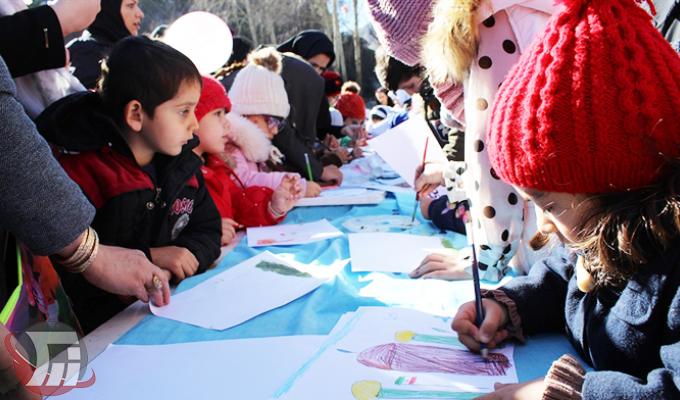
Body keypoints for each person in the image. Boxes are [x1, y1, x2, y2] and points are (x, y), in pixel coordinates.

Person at [453, 0, 680, 398]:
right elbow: (565, 276)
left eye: (551, 205)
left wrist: (565, 393)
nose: (542, 225)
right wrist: (510, 306)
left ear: (616, 185)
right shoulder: (598, 236)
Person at [36, 36, 221, 333]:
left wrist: (187, 255)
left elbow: (208, 228)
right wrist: (152, 257)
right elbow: (66, 263)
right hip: (96, 336)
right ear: (136, 114)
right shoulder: (82, 172)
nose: (195, 124)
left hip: (164, 314)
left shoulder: (182, 167)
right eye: (184, 111)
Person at [369, 0, 557, 282]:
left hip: (555, 245)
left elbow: (499, 153)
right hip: (570, 229)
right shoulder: (510, 13)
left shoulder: (489, 23)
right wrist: (449, 174)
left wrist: (487, 258)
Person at [194, 76, 302, 246]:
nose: (227, 125)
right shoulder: (177, 176)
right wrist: (205, 233)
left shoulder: (217, 165)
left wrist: (271, 206)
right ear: (192, 118)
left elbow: (238, 203)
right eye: (217, 114)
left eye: (225, 115)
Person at [227, 48, 321, 198]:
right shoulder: (231, 150)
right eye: (272, 121)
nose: (276, 130)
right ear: (247, 115)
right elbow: (244, 181)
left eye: (280, 123)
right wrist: (295, 186)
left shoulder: (254, 151)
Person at [274, 30, 344, 186]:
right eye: (312, 65)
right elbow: (281, 131)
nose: (316, 73)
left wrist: (329, 139)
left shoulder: (311, 85)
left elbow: (314, 128)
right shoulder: (271, 80)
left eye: (322, 69)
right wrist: (319, 169)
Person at [68, 0, 144, 89]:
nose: (140, 14)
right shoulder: (88, 52)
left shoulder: (124, 50)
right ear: (109, 10)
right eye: (130, 5)